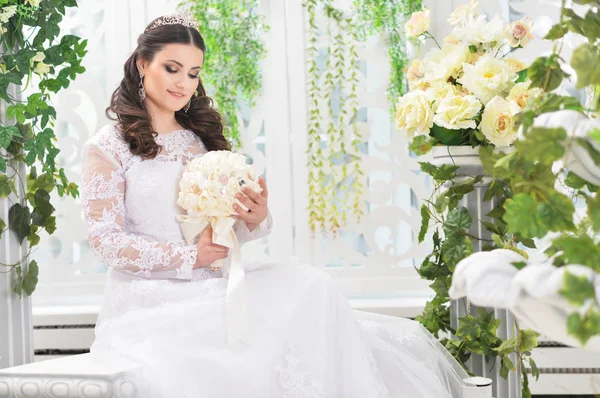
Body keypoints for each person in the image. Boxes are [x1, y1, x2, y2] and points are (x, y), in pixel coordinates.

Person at [82, 11, 482, 398]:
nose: (183, 83)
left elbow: (220, 231)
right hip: (152, 298)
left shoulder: (197, 137)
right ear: (141, 64)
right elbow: (105, 241)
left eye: (193, 72)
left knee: (313, 285)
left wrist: (253, 218)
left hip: (215, 280)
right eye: (172, 68)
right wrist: (190, 257)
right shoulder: (109, 146)